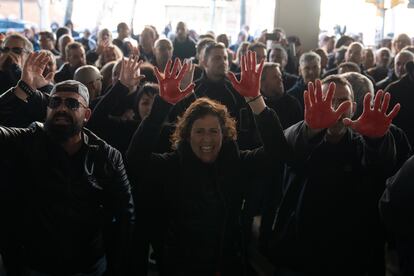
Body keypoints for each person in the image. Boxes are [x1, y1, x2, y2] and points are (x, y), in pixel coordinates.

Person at [126, 51, 289, 276]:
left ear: (225, 134)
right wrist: (160, 108)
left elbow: (277, 155)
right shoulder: (173, 164)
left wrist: (256, 101)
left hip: (228, 264)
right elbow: (135, 162)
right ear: (187, 135)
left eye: (214, 131)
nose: (207, 139)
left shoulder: (236, 162)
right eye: (199, 131)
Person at [0, 51, 135, 275]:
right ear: (47, 108)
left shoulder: (106, 155)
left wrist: (117, 266)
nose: (62, 108)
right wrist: (22, 88)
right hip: (32, 263)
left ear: (87, 114)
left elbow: (125, 216)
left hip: (88, 265)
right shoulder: (26, 140)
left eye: (72, 104)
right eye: (55, 102)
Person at [271, 76, 400, 276]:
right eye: (328, 100)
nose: (335, 107)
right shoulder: (301, 137)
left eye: (342, 101)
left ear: (354, 107)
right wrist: (311, 129)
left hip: (355, 251)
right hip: (304, 249)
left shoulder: (363, 142)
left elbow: (382, 166)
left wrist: (377, 141)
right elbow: (288, 147)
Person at [260, 62, 302, 129]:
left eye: (280, 76)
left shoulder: (292, 103)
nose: (280, 79)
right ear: (262, 82)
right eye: (275, 77)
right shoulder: (257, 105)